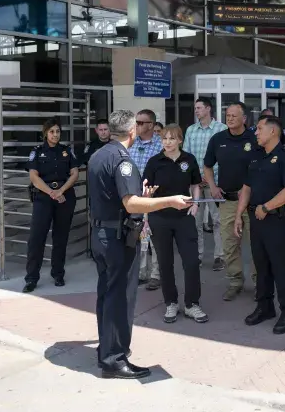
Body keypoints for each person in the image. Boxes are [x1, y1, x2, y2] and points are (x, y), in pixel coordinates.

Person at [88, 109, 192, 379]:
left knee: (107, 296)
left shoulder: (99, 155)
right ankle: (114, 359)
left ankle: (108, 348)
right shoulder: (123, 161)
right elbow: (130, 203)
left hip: (101, 235)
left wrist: (143, 196)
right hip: (116, 239)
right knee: (120, 298)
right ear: (132, 130)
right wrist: (169, 201)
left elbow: (118, 196)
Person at [235, 115, 285, 334]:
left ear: (273, 131)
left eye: (260, 128)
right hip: (256, 219)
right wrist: (238, 215)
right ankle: (265, 307)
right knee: (261, 265)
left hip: (277, 220)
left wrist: (267, 207)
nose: (255, 132)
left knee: (280, 266)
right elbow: (246, 187)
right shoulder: (256, 156)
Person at [144, 124, 209, 324]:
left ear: (180, 140)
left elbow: (195, 185)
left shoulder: (188, 159)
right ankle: (171, 303)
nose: (168, 142)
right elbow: (146, 192)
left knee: (191, 262)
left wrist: (196, 205)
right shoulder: (154, 162)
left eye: (172, 138)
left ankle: (192, 305)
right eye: (164, 138)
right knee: (165, 263)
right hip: (159, 218)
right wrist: (146, 218)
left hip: (184, 217)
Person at [204, 102, 258, 301]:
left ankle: (260, 282)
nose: (230, 118)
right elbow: (207, 166)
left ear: (244, 119)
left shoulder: (255, 139)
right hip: (228, 200)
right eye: (227, 115)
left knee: (255, 244)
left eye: (234, 116)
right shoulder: (218, 139)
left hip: (253, 201)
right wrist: (212, 186)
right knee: (229, 244)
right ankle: (235, 281)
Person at [23, 118, 79, 293]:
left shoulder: (66, 151)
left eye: (58, 131)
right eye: (52, 131)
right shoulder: (37, 152)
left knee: (60, 238)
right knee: (36, 238)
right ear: (46, 133)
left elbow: (75, 173)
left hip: (65, 197)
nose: (55, 135)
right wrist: (52, 192)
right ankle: (32, 278)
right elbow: (34, 176)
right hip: (44, 198)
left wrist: (61, 191)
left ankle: (58, 274)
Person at [183, 97, 227, 271]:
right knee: (195, 221)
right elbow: (186, 156)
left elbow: (223, 157)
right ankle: (198, 255)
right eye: (195, 108)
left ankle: (219, 256)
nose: (196, 111)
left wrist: (208, 177)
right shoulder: (191, 130)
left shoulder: (221, 129)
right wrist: (195, 178)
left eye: (199, 108)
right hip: (195, 184)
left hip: (215, 182)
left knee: (218, 220)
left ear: (208, 109)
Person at [129, 109, 163, 290]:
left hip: (155, 198)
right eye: (137, 122)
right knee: (140, 235)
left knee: (155, 237)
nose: (138, 126)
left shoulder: (161, 145)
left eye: (141, 123)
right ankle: (142, 272)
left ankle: (156, 274)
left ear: (151, 125)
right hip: (135, 197)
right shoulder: (132, 144)